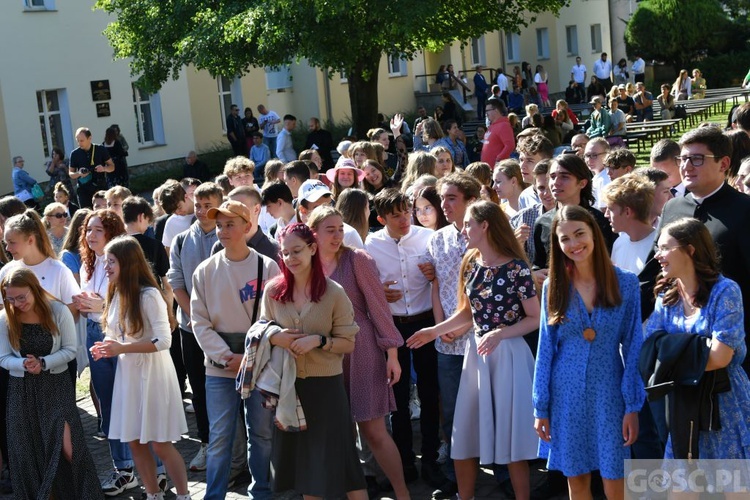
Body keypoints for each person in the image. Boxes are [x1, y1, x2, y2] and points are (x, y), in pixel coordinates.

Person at [409, 200, 539, 500]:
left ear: (485, 226)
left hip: (509, 357)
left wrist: (500, 334)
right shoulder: (471, 262)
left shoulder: (517, 268)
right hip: (477, 354)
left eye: (469, 223)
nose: (463, 229)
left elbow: (535, 318)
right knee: (464, 435)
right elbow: (468, 313)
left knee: (512, 441)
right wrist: (434, 331)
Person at [533, 205, 645, 498]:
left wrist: (632, 405)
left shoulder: (626, 283)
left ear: (594, 234)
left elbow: (634, 346)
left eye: (579, 234)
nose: (574, 244)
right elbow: (545, 348)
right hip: (565, 393)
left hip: (609, 392)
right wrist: (540, 406)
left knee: (614, 474)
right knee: (577, 476)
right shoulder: (553, 287)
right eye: (564, 239)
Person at [307, 207, 409, 499]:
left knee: (374, 431)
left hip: (362, 349)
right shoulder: (306, 264)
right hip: (323, 354)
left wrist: (392, 353)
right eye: (331, 230)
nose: (338, 235)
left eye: (340, 229)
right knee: (336, 434)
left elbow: (379, 308)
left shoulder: (357, 260)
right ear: (313, 232)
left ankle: (403, 493)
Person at [259, 222, 366, 499]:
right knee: (307, 474)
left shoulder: (334, 293)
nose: (290, 258)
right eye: (284, 253)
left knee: (347, 471)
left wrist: (318, 341)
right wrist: (275, 337)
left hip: (326, 391)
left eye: (296, 251)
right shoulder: (273, 291)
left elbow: (349, 342)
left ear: (312, 248)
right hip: (290, 390)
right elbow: (261, 328)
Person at [190, 201, 281, 499]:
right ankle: (213, 494)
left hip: (260, 362)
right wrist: (225, 357)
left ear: (247, 226)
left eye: (230, 224)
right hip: (220, 367)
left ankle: (262, 491)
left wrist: (250, 358)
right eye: (219, 224)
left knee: (262, 433)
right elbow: (199, 322)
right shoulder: (204, 271)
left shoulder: (267, 267)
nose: (223, 230)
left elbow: (277, 320)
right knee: (219, 436)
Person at [91, 237, 190, 500]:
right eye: (106, 262)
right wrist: (106, 346)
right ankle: (153, 494)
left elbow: (163, 340)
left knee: (160, 443)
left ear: (128, 262)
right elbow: (116, 335)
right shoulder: (115, 293)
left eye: (111, 262)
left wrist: (120, 349)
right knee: (134, 441)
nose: (107, 267)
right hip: (129, 375)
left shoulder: (148, 295)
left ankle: (183, 495)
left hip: (153, 375)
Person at [645, 218, 750, 463]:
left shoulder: (725, 291)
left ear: (690, 249)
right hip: (684, 406)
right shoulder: (666, 296)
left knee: (733, 490)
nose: (657, 255)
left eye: (664, 248)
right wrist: (697, 348)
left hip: (726, 404)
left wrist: (671, 354)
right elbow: (650, 349)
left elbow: (720, 358)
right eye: (657, 248)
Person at [365, 189, 444, 488]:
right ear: (381, 218)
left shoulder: (427, 237)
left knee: (428, 390)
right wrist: (380, 292)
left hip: (424, 322)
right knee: (397, 397)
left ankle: (431, 459)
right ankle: (405, 462)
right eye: (396, 214)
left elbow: (445, 276)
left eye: (406, 211)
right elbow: (367, 285)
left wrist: (433, 273)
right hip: (392, 325)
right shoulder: (372, 244)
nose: (404, 219)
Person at [0, 268, 101, 499]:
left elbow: (70, 350)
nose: (17, 303)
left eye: (21, 297)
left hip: (55, 387)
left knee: (68, 447)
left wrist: (43, 363)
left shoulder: (58, 311)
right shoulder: (5, 318)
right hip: (22, 391)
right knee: (28, 451)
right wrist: (23, 365)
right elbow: (3, 358)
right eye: (10, 299)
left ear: (34, 290)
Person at [660, 126, 750, 374]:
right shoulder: (672, 208)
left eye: (697, 159)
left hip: (733, 348)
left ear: (723, 164)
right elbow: (656, 272)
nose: (686, 166)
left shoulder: (745, 210)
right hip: (682, 341)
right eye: (683, 158)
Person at [420, 173, 481, 499]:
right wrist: (441, 326)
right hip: (447, 343)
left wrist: (465, 325)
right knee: (454, 413)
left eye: (452, 198)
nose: (444, 205)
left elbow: (488, 289)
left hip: (481, 338)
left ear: (471, 199)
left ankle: (502, 475)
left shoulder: (485, 235)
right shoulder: (437, 239)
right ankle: (458, 478)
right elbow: (437, 286)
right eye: (442, 198)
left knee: (490, 409)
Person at [166, 182, 223, 473]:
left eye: (208, 205)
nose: (202, 211)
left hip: (225, 327)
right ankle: (206, 443)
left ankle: (237, 445)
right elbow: (176, 282)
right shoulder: (180, 240)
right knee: (199, 387)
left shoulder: (228, 237)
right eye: (198, 205)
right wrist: (196, 318)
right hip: (191, 329)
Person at [69, 127, 114, 209]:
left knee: (103, 212)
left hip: (100, 187)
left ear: (89, 138)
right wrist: (79, 173)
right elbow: (71, 174)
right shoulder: (75, 154)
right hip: (84, 189)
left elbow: (112, 167)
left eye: (82, 140)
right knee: (86, 214)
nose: (79, 143)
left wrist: (104, 168)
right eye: (77, 141)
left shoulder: (100, 149)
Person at [481, 98, 515, 165]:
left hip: (497, 170)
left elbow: (510, 145)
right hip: (487, 169)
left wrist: (498, 159)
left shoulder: (504, 125)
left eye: (487, 110)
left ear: (496, 110)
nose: (486, 113)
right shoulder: (491, 126)